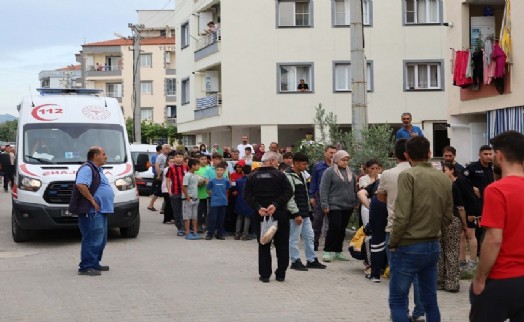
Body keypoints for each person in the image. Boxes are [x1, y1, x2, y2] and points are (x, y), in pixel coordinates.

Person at [388, 137, 453, 322]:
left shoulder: (408, 176)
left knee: (398, 300)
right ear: (429, 153)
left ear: (407, 155)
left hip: (408, 244)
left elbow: (402, 215)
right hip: (432, 244)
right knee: (430, 300)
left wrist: (394, 241)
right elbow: (448, 215)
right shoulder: (444, 177)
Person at [470, 131, 524, 322]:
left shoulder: (497, 189)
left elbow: (493, 239)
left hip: (502, 277)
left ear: (499, 155)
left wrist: (480, 278)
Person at [377, 139, 425, 321]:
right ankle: (420, 311)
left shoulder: (388, 174)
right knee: (418, 275)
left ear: (397, 154)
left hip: (394, 227)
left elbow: (380, 196)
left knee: (398, 275)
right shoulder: (422, 173)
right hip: (419, 230)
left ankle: (400, 311)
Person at [243, 151, 293, 283]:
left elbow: (247, 195)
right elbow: (289, 191)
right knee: (282, 244)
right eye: (277, 162)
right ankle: (281, 273)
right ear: (272, 161)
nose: (278, 164)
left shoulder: (252, 176)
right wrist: (275, 205)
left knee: (264, 244)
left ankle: (265, 275)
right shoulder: (280, 175)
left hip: (261, 215)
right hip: (279, 214)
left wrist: (258, 207)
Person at [69, 146, 114, 276]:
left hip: (101, 210)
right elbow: (81, 184)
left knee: (101, 238)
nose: (106, 156)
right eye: (103, 154)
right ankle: (86, 267)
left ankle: (94, 263)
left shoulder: (97, 169)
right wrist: (92, 201)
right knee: (92, 238)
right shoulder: (87, 168)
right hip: (92, 211)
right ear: (95, 156)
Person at [286, 152, 326, 271]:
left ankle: (311, 259)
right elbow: (289, 197)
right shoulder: (288, 176)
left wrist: (308, 209)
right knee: (294, 238)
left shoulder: (303, 175)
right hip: (295, 214)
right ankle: (295, 260)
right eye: (303, 164)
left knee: (309, 236)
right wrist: (295, 214)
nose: (305, 166)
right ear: (296, 163)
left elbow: (305, 194)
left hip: (305, 212)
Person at [319, 150, 357, 262]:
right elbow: (324, 189)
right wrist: (324, 204)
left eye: (347, 160)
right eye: (343, 160)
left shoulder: (350, 172)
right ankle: (327, 250)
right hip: (334, 204)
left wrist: (356, 201)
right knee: (334, 226)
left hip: (348, 205)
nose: (345, 162)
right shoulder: (329, 172)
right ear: (336, 160)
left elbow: (355, 187)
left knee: (342, 228)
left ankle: (338, 251)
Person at [438, 162, 469, 292]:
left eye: (443, 170)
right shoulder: (453, 186)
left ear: (451, 170)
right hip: (452, 220)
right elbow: (460, 208)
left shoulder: (437, 187)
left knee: (441, 251)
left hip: (439, 220)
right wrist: (464, 224)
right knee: (451, 251)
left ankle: (439, 281)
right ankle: (451, 282)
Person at [463, 145, 494, 257]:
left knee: (489, 228)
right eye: (485, 154)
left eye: (490, 154)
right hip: (477, 204)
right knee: (478, 229)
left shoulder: (493, 168)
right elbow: (462, 182)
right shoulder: (472, 167)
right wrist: (472, 188)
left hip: (490, 202)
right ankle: (476, 254)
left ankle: (486, 251)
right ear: (480, 155)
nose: (488, 156)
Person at [309, 145, 337, 251]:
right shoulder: (318, 166)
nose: (332, 155)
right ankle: (314, 244)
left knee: (332, 223)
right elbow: (313, 181)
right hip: (320, 197)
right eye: (331, 152)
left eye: (335, 153)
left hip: (334, 198)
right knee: (317, 221)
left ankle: (329, 245)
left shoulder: (338, 167)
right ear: (325, 153)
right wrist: (311, 196)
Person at [206, 162, 230, 240]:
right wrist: (212, 195)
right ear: (215, 171)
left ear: (224, 171)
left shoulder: (226, 181)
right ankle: (210, 233)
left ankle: (219, 234)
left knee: (221, 219)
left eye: (221, 170)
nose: (219, 171)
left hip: (223, 202)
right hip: (214, 203)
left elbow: (227, 189)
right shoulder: (212, 181)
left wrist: (222, 196)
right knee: (213, 219)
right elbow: (208, 189)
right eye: (218, 170)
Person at [166, 151, 187, 236]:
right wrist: (169, 191)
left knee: (185, 211)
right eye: (177, 156)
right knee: (177, 211)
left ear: (183, 158)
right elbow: (168, 179)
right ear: (174, 158)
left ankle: (186, 227)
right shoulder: (171, 168)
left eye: (180, 156)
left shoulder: (186, 167)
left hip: (185, 193)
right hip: (175, 192)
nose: (179, 158)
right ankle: (180, 228)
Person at [233, 165, 254, 241]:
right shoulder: (252, 181)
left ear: (242, 171)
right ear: (251, 171)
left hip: (239, 200)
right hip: (248, 200)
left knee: (239, 217)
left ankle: (237, 234)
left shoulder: (238, 181)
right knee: (247, 217)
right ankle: (245, 235)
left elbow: (235, 191)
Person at [358, 159, 382, 227]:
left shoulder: (382, 176)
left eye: (377, 168)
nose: (375, 170)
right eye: (372, 168)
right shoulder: (363, 179)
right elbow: (368, 190)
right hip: (367, 203)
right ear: (368, 169)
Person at [182, 158, 201, 240]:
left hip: (195, 199)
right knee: (187, 217)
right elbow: (183, 187)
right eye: (198, 165)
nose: (199, 166)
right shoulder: (187, 175)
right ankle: (188, 233)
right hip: (189, 199)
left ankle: (195, 232)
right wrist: (188, 197)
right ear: (193, 166)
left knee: (194, 216)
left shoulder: (195, 175)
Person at [149, 144, 169, 211]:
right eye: (167, 148)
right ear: (163, 149)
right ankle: (151, 205)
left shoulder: (168, 156)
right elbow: (156, 165)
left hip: (167, 176)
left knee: (163, 191)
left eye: (169, 148)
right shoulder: (160, 156)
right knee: (158, 191)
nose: (168, 150)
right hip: (161, 175)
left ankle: (163, 208)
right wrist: (158, 175)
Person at [195, 154, 210, 233]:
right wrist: (201, 181)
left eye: (205, 159)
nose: (204, 161)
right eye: (202, 159)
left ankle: (207, 226)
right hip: (200, 194)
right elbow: (195, 182)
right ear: (199, 160)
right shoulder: (197, 169)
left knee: (207, 212)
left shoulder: (209, 168)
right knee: (199, 211)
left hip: (208, 194)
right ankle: (199, 226)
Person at [161, 156, 175, 224]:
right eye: (171, 162)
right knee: (168, 204)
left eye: (173, 162)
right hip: (166, 188)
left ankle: (172, 218)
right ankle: (166, 219)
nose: (172, 163)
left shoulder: (173, 168)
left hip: (172, 188)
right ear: (167, 162)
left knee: (172, 204)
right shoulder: (167, 169)